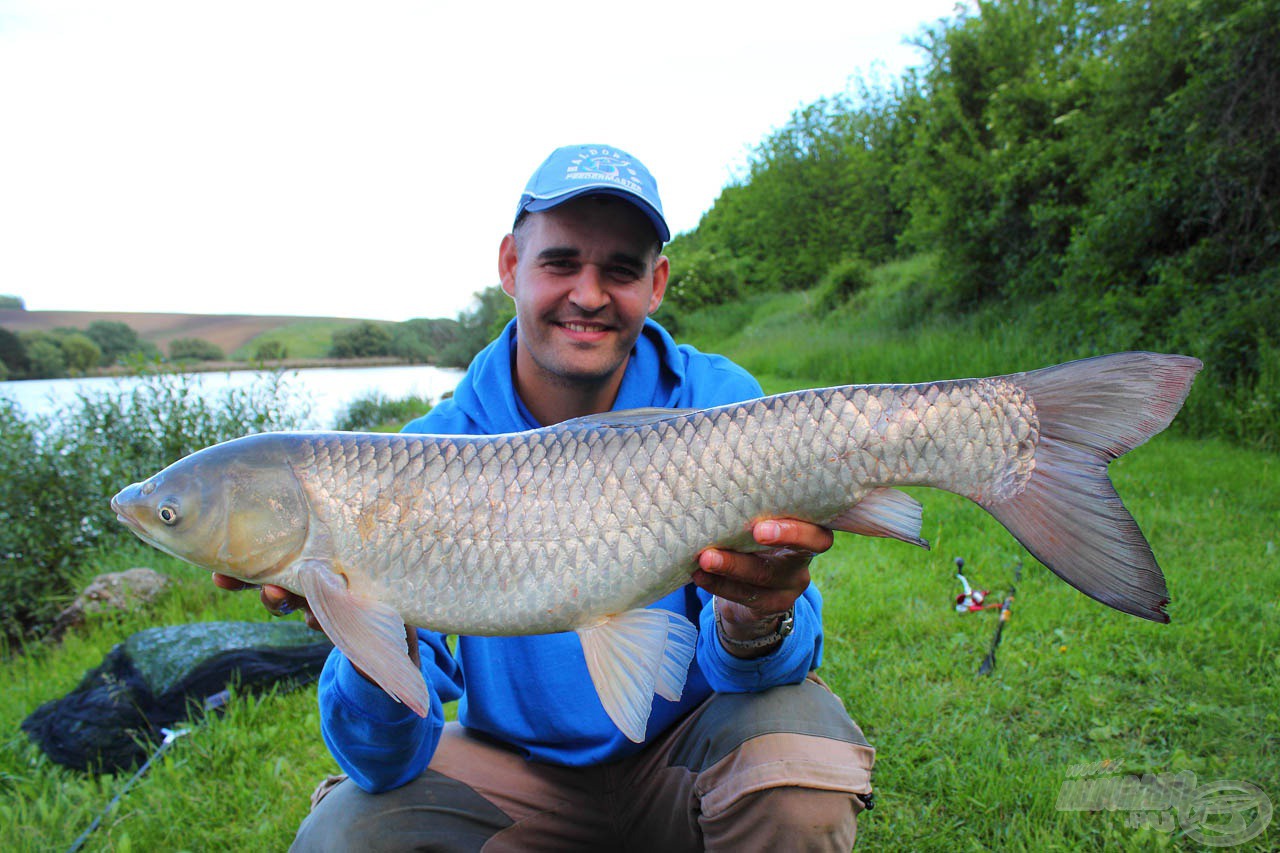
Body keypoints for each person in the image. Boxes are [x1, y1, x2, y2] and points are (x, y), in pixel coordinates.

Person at [215, 144, 875, 851]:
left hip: (685, 754)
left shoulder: (718, 409)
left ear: (656, 283)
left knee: (800, 761)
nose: (588, 294)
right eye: (561, 262)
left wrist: (752, 618)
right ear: (510, 266)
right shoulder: (421, 456)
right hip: (520, 781)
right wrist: (374, 647)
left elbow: (778, 664)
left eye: (619, 269)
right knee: (344, 835)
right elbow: (382, 762)